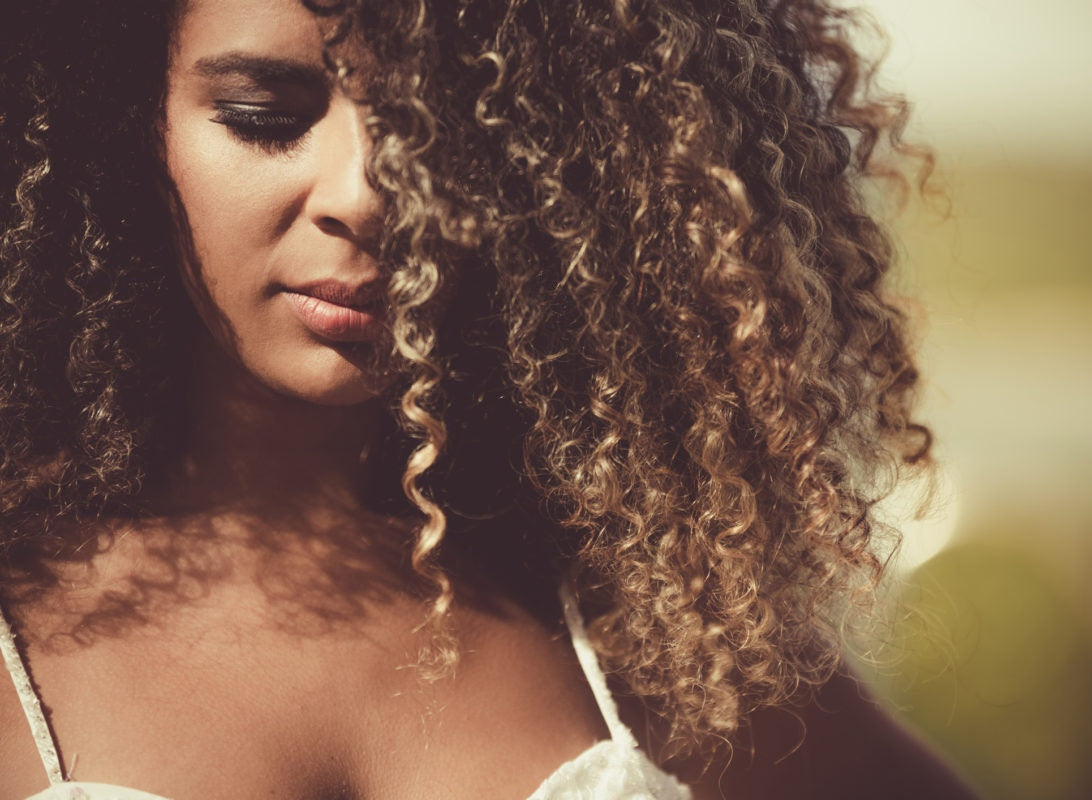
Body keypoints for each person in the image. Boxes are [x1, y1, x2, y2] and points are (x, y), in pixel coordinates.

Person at [0, 0, 978, 797]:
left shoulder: (648, 615)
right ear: (121, 122)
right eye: (265, 113)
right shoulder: (19, 609)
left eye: (442, 130)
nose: (369, 192)